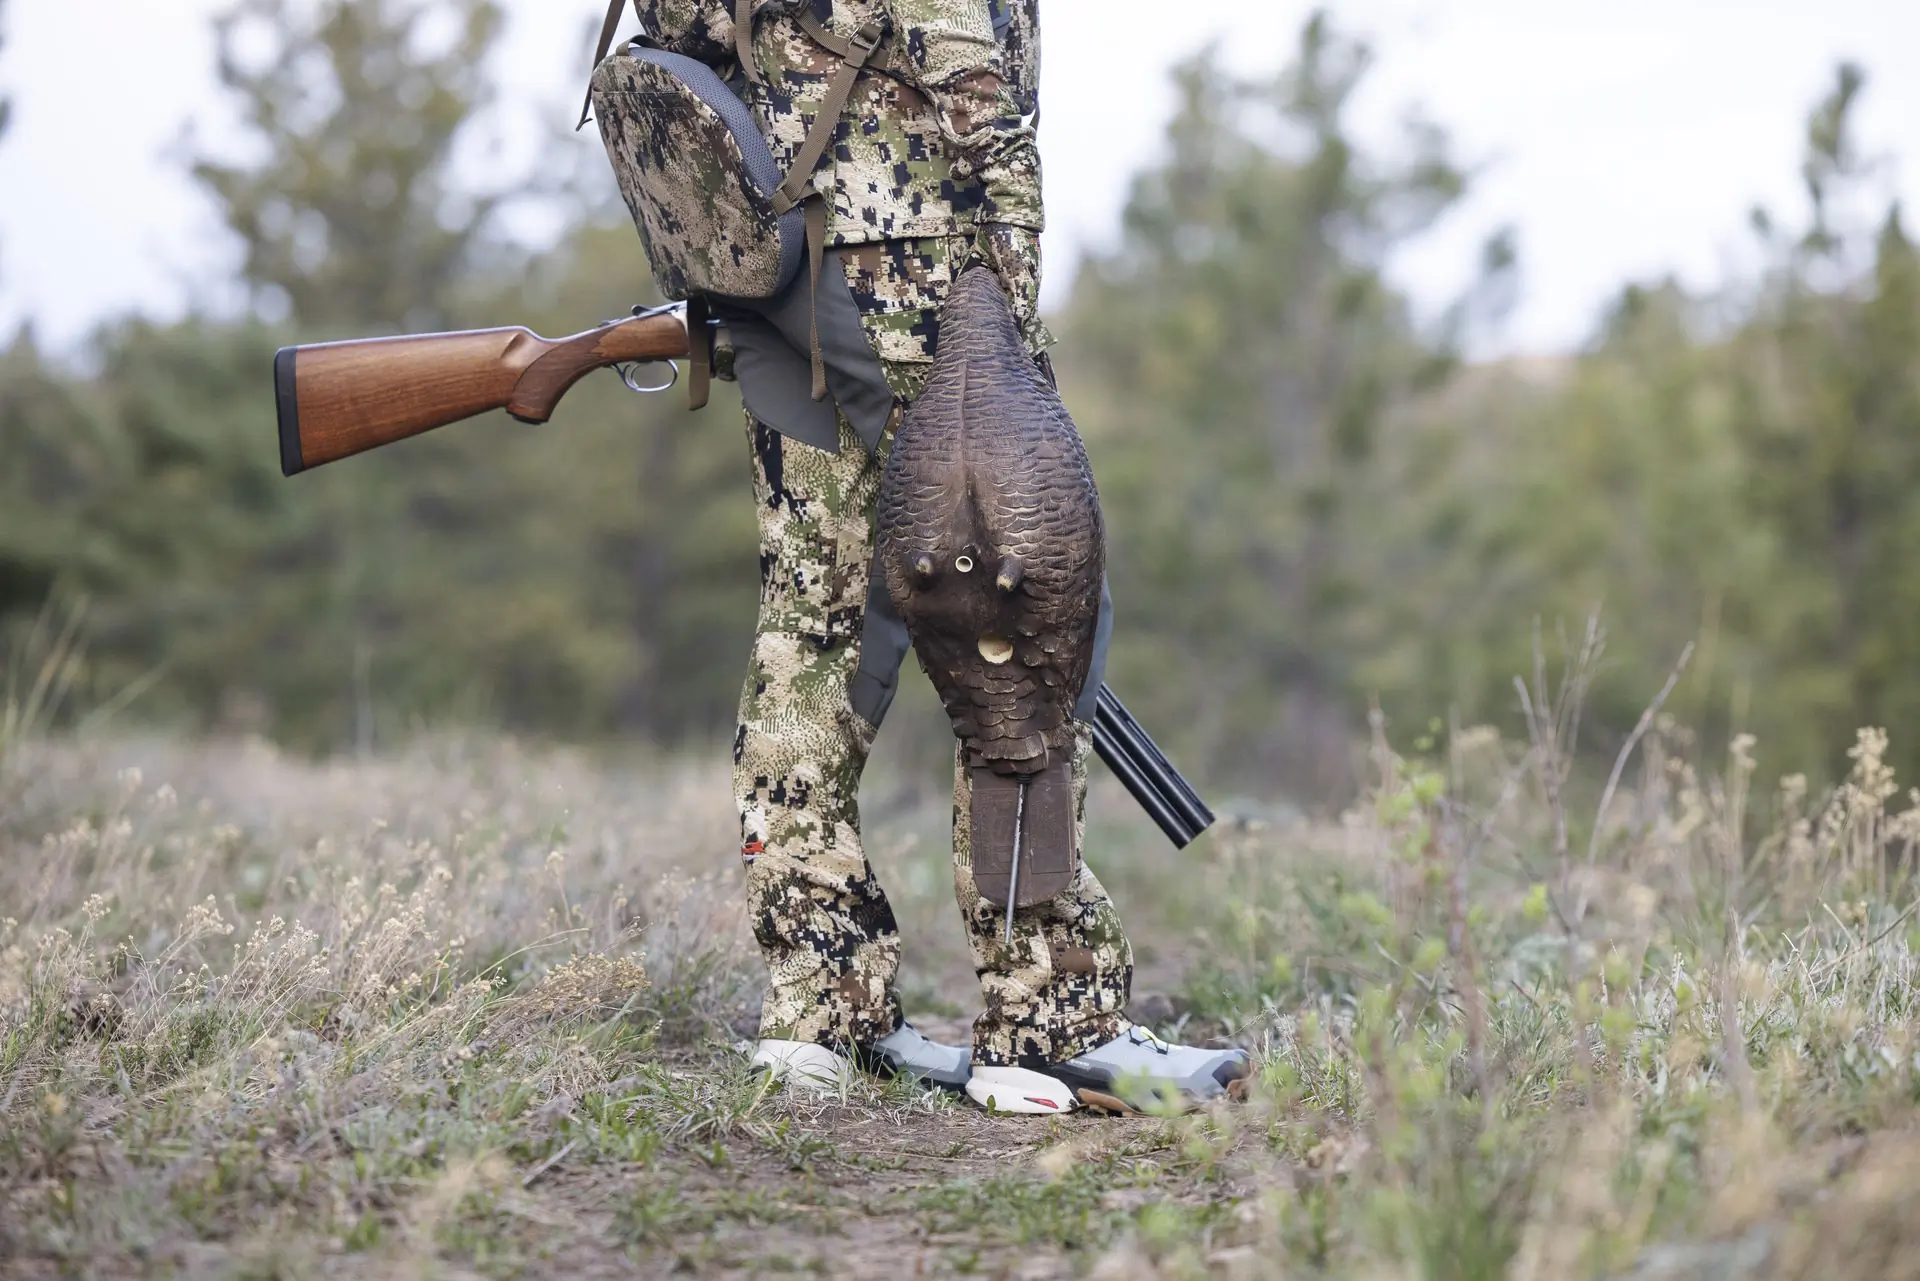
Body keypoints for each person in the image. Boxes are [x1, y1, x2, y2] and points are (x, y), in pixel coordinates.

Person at [623, 0, 1249, 1113]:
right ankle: (1048, 1020)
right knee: (1023, 623)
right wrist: (1010, 310)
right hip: (931, 286)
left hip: (782, 284)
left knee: (812, 636)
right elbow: (975, 93)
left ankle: (820, 1012)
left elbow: (688, 47)